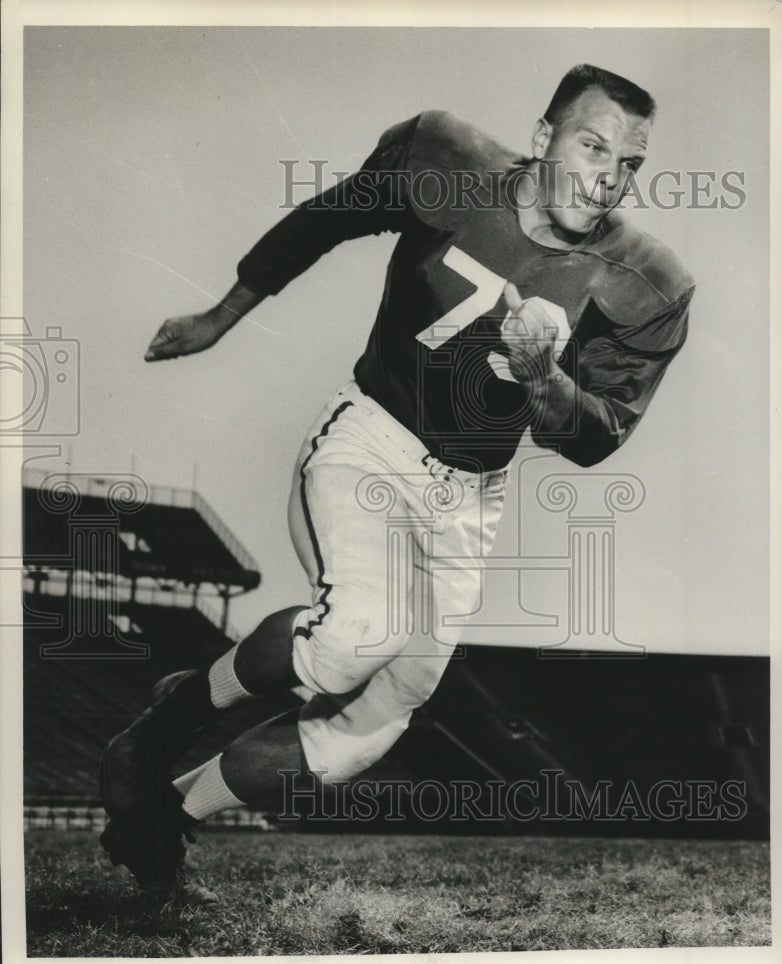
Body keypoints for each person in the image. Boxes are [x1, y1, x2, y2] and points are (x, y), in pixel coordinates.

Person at [99, 64, 694, 904]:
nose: (607, 174)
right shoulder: (447, 160)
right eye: (591, 144)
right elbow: (324, 219)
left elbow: (595, 436)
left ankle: (166, 813)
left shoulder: (643, 284)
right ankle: (164, 723)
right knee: (354, 635)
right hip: (373, 438)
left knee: (360, 734)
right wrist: (216, 318)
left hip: (470, 495)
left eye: (627, 162)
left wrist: (543, 382)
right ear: (542, 137)